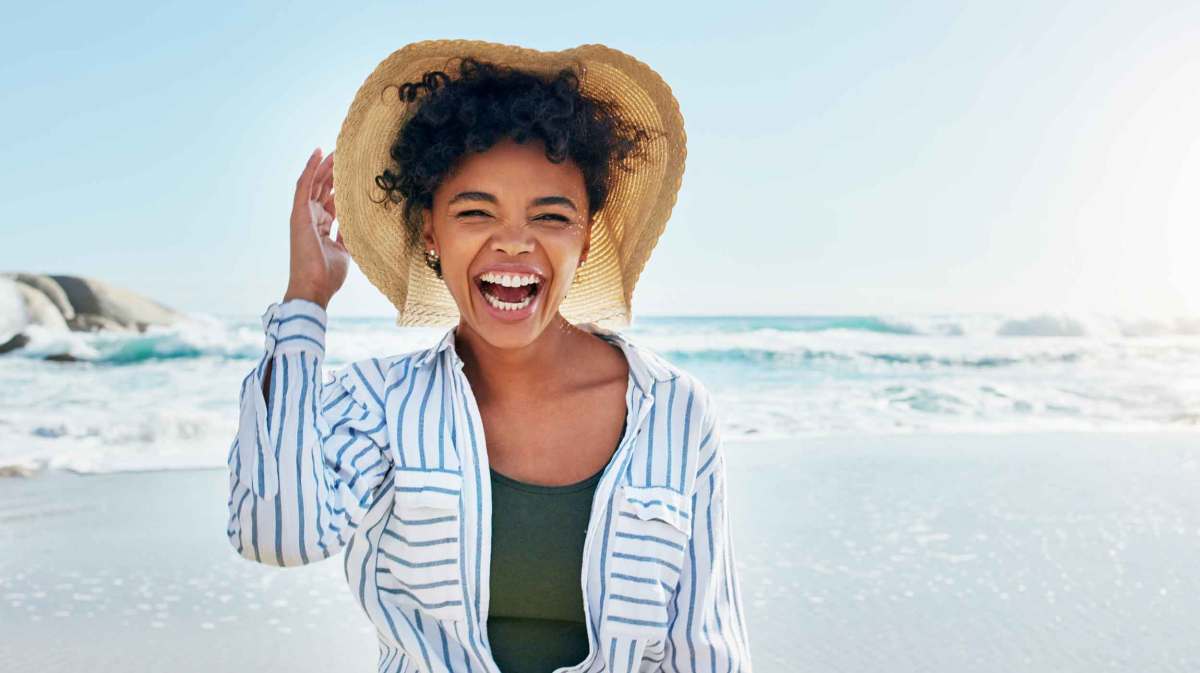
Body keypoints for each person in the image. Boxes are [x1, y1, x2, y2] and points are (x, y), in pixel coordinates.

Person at [225, 39, 753, 673]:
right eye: (475, 211)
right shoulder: (381, 404)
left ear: (585, 239)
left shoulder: (674, 411)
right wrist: (306, 300)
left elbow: (707, 649)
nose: (512, 243)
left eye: (551, 216)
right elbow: (275, 534)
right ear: (431, 232)